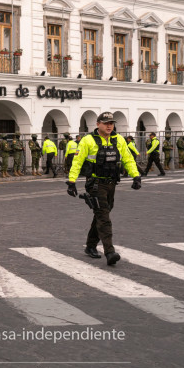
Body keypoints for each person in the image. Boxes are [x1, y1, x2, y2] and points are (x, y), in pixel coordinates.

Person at [67, 112, 141, 266]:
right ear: (97, 124)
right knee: (104, 216)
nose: (109, 126)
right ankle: (109, 252)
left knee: (101, 214)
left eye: (111, 123)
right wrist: (72, 182)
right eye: (106, 123)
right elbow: (77, 161)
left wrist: (136, 176)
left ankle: (90, 246)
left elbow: (127, 158)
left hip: (111, 183)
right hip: (95, 184)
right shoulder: (88, 140)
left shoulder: (118, 139)